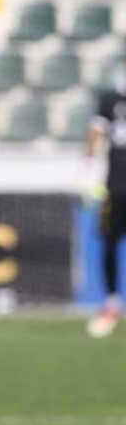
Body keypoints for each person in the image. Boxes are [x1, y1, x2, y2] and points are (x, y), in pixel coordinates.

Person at [85, 69, 125, 338]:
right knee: (109, 242)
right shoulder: (109, 99)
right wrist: (87, 173)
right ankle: (111, 303)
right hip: (116, 187)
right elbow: (95, 134)